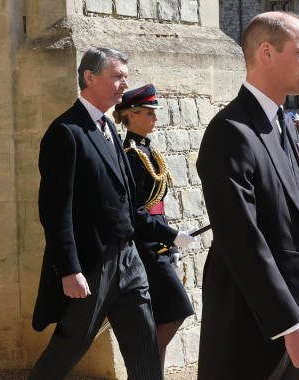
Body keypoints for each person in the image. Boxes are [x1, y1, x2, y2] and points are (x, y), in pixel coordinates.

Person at [195, 11, 299, 379]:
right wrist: (290, 325)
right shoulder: (231, 131)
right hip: (256, 322)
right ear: (267, 53)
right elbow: (241, 238)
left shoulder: (283, 123)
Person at [29, 47, 162, 379]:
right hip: (92, 265)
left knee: (145, 347)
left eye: (125, 78)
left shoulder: (108, 127)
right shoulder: (66, 132)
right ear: (89, 78)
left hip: (128, 259)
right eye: (116, 76)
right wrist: (69, 269)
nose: (123, 85)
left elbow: (124, 199)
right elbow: (55, 210)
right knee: (68, 347)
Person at [113, 84, 197, 372]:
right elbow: (136, 213)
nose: (155, 119)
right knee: (177, 311)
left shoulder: (146, 150)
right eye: (149, 113)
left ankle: (151, 373)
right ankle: (144, 367)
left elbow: (157, 206)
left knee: (162, 318)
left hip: (158, 246)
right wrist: (171, 236)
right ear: (131, 115)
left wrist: (171, 244)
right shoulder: (131, 154)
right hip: (146, 249)